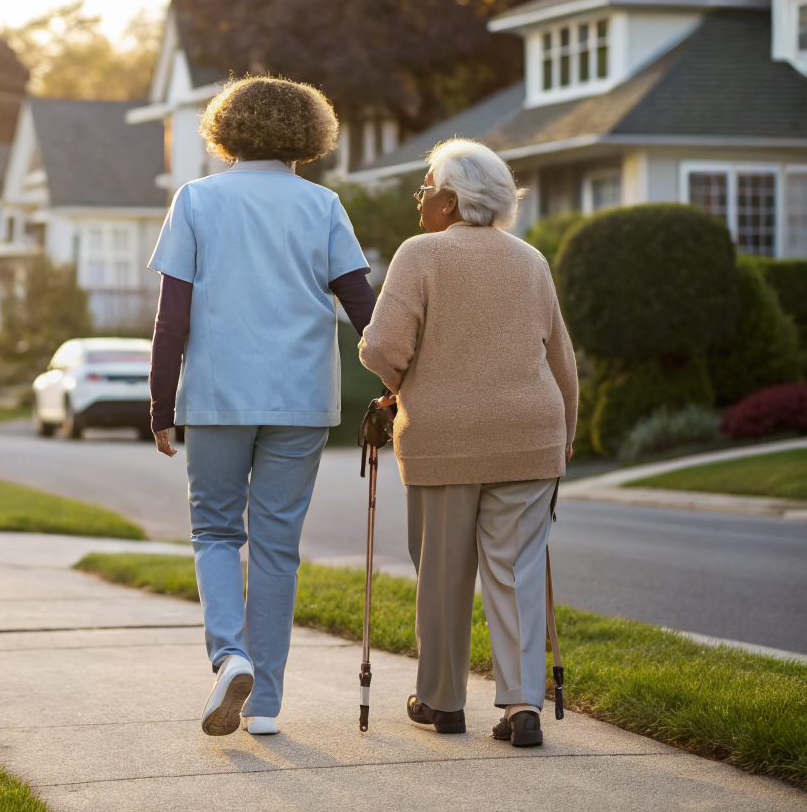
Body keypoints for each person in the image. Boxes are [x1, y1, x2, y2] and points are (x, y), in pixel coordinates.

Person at [148, 76, 376, 737]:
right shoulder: (322, 204)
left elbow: (171, 320)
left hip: (218, 397)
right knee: (276, 547)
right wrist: (401, 377)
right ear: (308, 135)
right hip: (301, 399)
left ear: (226, 132)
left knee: (216, 531)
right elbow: (364, 310)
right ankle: (266, 705)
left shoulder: (195, 200)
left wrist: (162, 405)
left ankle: (229, 656)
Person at [358, 138, 578, 748]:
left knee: (443, 572)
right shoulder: (531, 260)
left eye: (426, 188)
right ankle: (521, 706)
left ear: (452, 201)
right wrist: (564, 439)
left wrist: (402, 381)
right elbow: (561, 361)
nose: (420, 199)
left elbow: (382, 349)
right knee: (515, 574)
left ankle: (442, 702)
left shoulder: (420, 254)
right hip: (530, 438)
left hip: (442, 441)